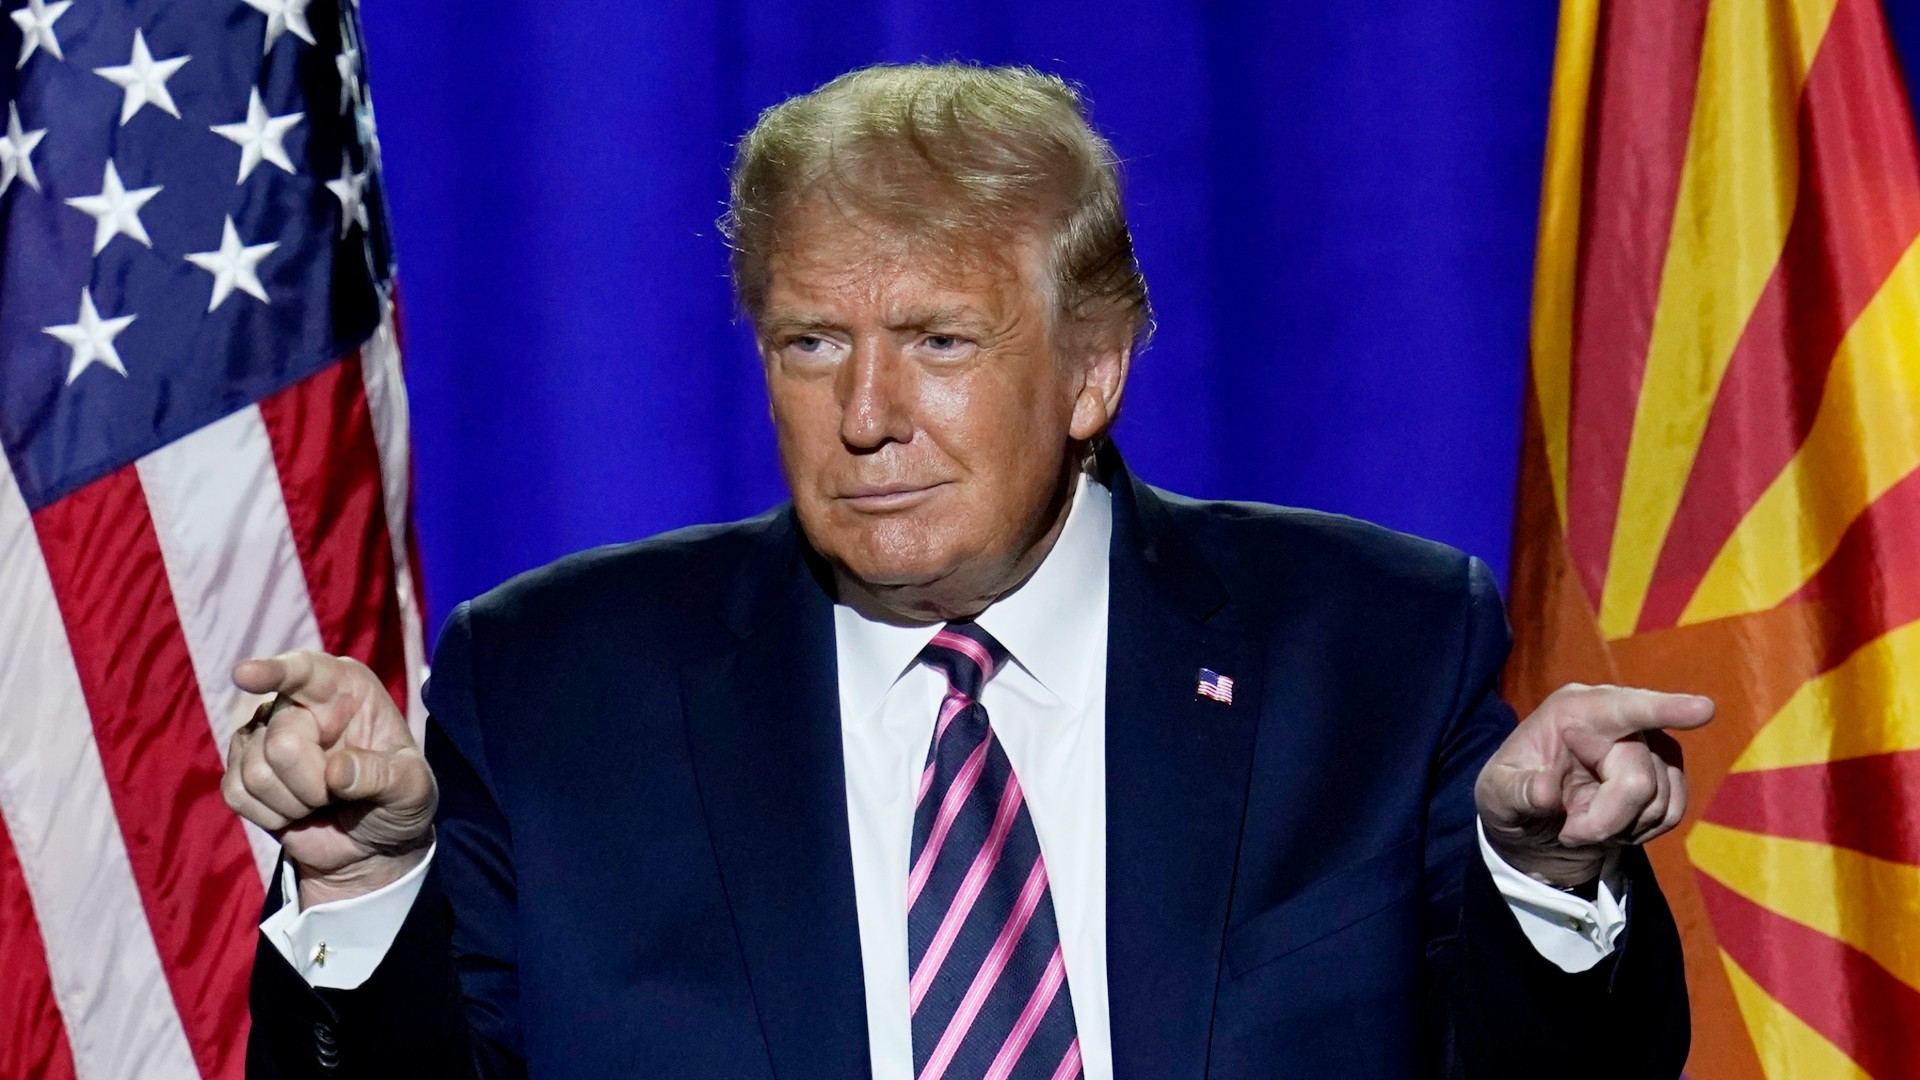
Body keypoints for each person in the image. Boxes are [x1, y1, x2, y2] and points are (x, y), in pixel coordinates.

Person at [225, 63, 1704, 1079]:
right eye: (812, 344)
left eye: (939, 341)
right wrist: (365, 887)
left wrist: (1550, 874)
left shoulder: (1375, 651)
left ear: (1093, 371)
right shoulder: (557, 686)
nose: (865, 417)